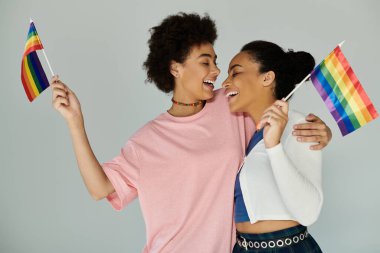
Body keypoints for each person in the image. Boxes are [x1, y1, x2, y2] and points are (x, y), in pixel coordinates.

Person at [51, 13, 331, 252]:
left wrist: (317, 130)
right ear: (175, 68)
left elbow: (271, 106)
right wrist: (75, 123)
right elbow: (100, 188)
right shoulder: (147, 140)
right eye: (205, 61)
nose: (217, 70)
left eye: (216, 61)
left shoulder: (232, 106)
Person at [223, 40, 324, 252]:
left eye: (235, 73)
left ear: (267, 78)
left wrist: (274, 146)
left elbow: (309, 212)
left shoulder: (301, 126)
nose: (225, 82)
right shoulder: (249, 133)